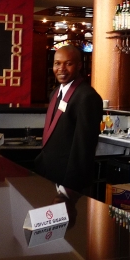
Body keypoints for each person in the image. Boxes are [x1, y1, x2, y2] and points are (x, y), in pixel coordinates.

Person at [34, 45, 103, 195]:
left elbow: (83, 147)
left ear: (79, 66)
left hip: (68, 181)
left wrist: (69, 187)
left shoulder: (87, 97)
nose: (61, 69)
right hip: (49, 174)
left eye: (68, 63)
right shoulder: (55, 93)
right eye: (57, 63)